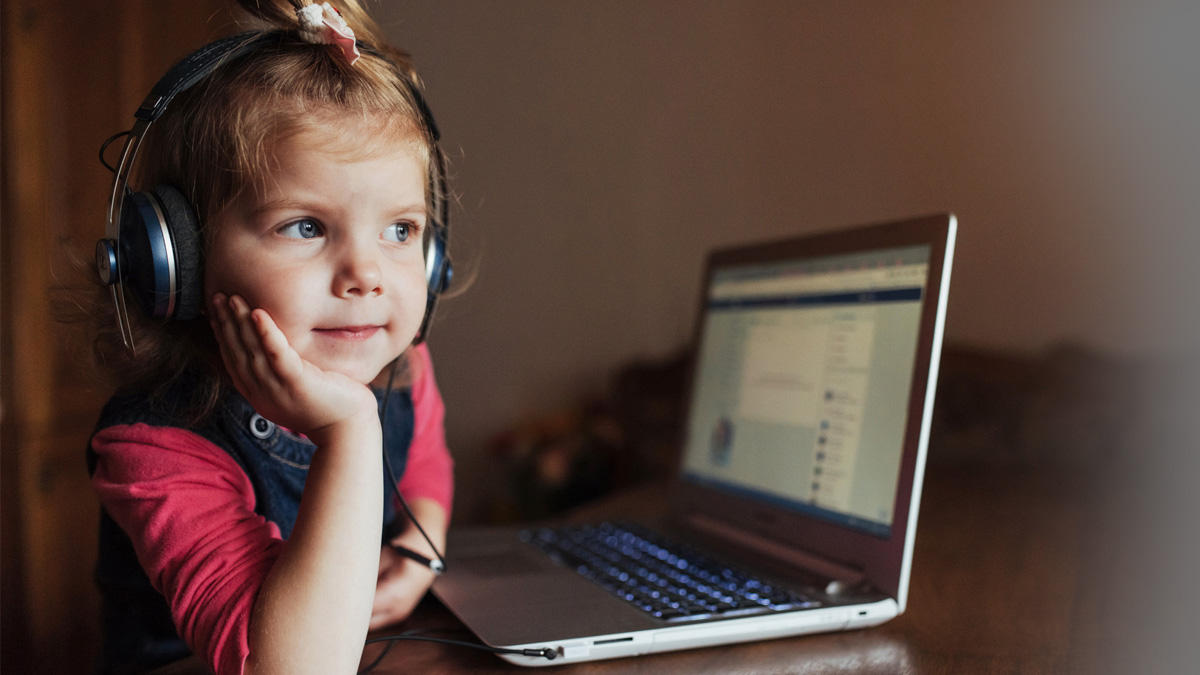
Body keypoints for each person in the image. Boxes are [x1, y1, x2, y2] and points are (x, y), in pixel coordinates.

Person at [82, 2, 454, 673]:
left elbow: (426, 466)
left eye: (401, 230)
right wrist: (348, 430)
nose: (366, 274)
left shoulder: (405, 370)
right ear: (181, 260)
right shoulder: (158, 447)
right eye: (306, 226)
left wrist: (421, 550)